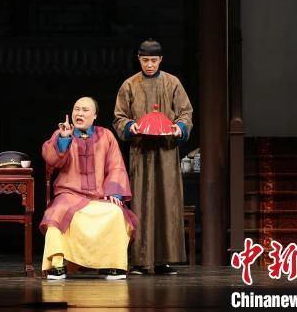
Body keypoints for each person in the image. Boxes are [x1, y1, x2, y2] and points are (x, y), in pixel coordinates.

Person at [113, 39, 193, 275]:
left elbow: (186, 113)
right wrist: (131, 126)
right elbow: (119, 117)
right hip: (141, 151)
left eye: (153, 60)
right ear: (139, 59)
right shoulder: (130, 84)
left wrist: (180, 127)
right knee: (142, 203)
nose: (149, 64)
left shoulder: (172, 83)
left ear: (161, 60)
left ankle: (164, 260)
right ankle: (140, 260)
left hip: (166, 152)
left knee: (167, 202)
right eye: (145, 60)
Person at [41, 97, 138, 281]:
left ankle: (112, 265)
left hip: (98, 196)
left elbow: (116, 166)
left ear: (95, 116)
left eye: (85, 110)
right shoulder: (63, 133)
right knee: (57, 213)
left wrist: (114, 191)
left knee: (116, 213)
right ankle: (58, 265)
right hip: (69, 194)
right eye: (76, 109)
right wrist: (64, 139)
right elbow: (52, 160)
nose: (79, 113)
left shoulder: (106, 135)